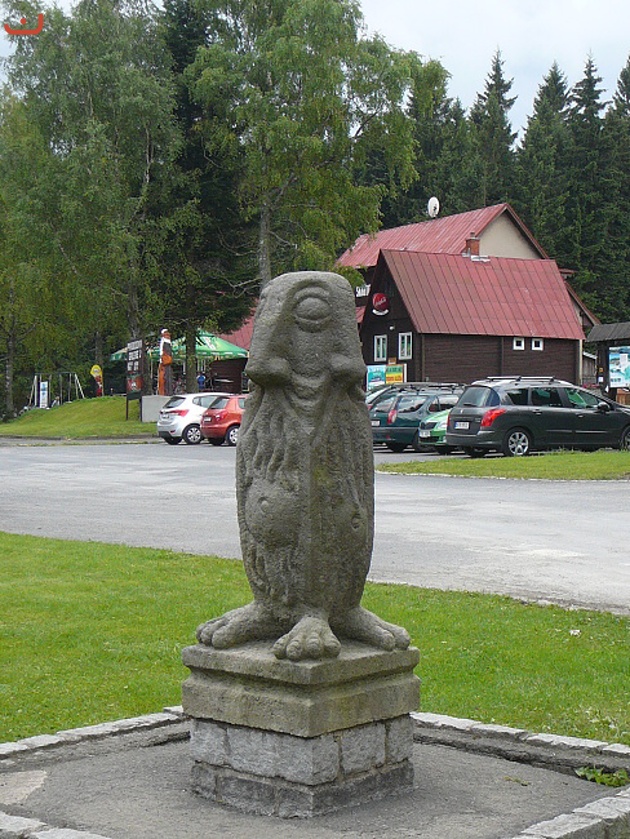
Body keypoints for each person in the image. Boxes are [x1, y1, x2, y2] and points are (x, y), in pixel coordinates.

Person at [158, 328, 173, 396]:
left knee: (166, 378)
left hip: (166, 362)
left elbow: (161, 352)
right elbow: (161, 352)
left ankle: (167, 392)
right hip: (165, 363)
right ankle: (167, 392)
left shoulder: (165, 341)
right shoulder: (165, 341)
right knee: (166, 378)